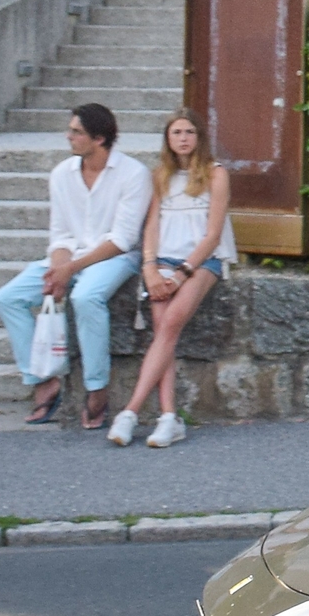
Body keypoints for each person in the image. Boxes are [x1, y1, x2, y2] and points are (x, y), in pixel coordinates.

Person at [0, 103, 151, 429]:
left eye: (76, 132)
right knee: (8, 298)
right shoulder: (62, 174)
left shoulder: (133, 173)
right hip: (72, 257)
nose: (69, 137)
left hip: (115, 258)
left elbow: (123, 239)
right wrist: (59, 270)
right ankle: (42, 380)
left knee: (86, 298)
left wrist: (72, 269)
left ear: (99, 138)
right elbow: (61, 234)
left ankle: (97, 389)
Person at [111, 109, 235, 448]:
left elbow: (212, 235)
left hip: (202, 261)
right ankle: (168, 417)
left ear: (199, 138)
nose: (183, 138)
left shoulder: (215, 174)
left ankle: (131, 411)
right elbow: (150, 227)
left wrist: (181, 274)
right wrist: (150, 269)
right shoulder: (158, 176)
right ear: (168, 139)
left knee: (170, 323)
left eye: (190, 132)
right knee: (162, 321)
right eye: (177, 132)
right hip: (162, 259)